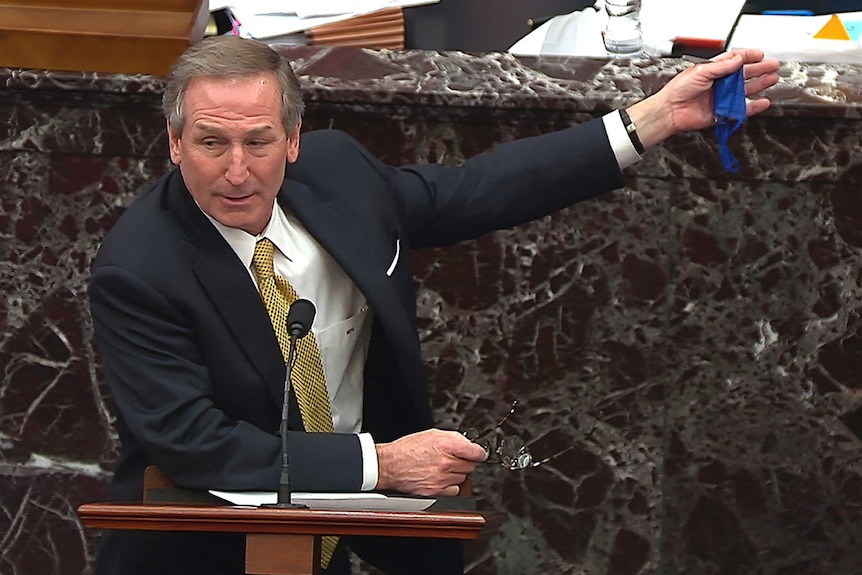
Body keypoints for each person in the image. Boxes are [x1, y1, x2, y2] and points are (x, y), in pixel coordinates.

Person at [87, 35, 779, 575]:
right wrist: (381, 466)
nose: (236, 170)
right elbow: (197, 445)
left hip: (349, 536)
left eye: (258, 141)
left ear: (292, 140)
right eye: (211, 142)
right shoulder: (139, 269)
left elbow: (476, 189)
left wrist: (653, 116)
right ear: (175, 143)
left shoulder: (338, 174)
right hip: (206, 550)